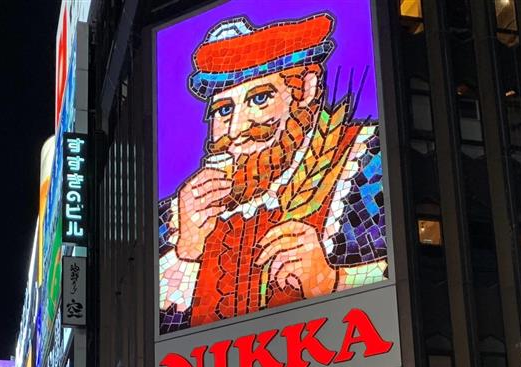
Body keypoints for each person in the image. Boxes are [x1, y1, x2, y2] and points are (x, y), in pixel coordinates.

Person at [156, 11, 387, 334]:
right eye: (224, 110)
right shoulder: (176, 213)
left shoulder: (368, 158)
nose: (236, 129)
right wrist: (186, 254)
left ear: (305, 89)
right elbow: (139, 335)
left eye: (260, 98)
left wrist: (332, 280)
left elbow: (412, 275)